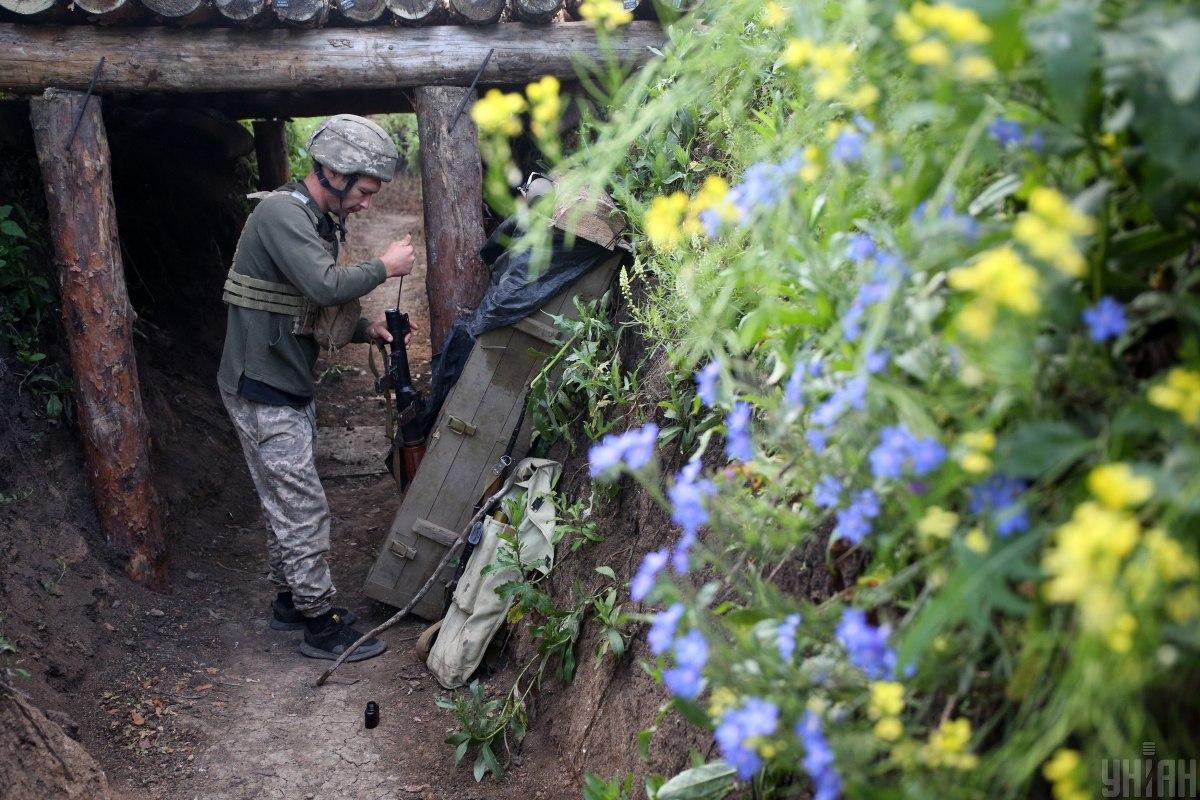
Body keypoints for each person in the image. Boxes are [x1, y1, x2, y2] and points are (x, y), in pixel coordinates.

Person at [217, 114, 416, 662]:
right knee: (301, 505)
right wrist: (385, 265)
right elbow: (324, 287)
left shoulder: (314, 218)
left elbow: (297, 305)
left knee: (282, 497)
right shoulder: (282, 214)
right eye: (366, 192)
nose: (367, 204)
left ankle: (289, 600)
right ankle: (320, 623)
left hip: (280, 376)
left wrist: (364, 329)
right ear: (333, 172)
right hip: (262, 384)